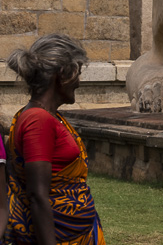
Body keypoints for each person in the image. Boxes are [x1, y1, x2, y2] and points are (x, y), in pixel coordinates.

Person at [4, 34, 105, 245]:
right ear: (62, 74)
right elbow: (37, 195)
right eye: (78, 71)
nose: (79, 82)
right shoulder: (38, 120)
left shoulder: (49, 117)